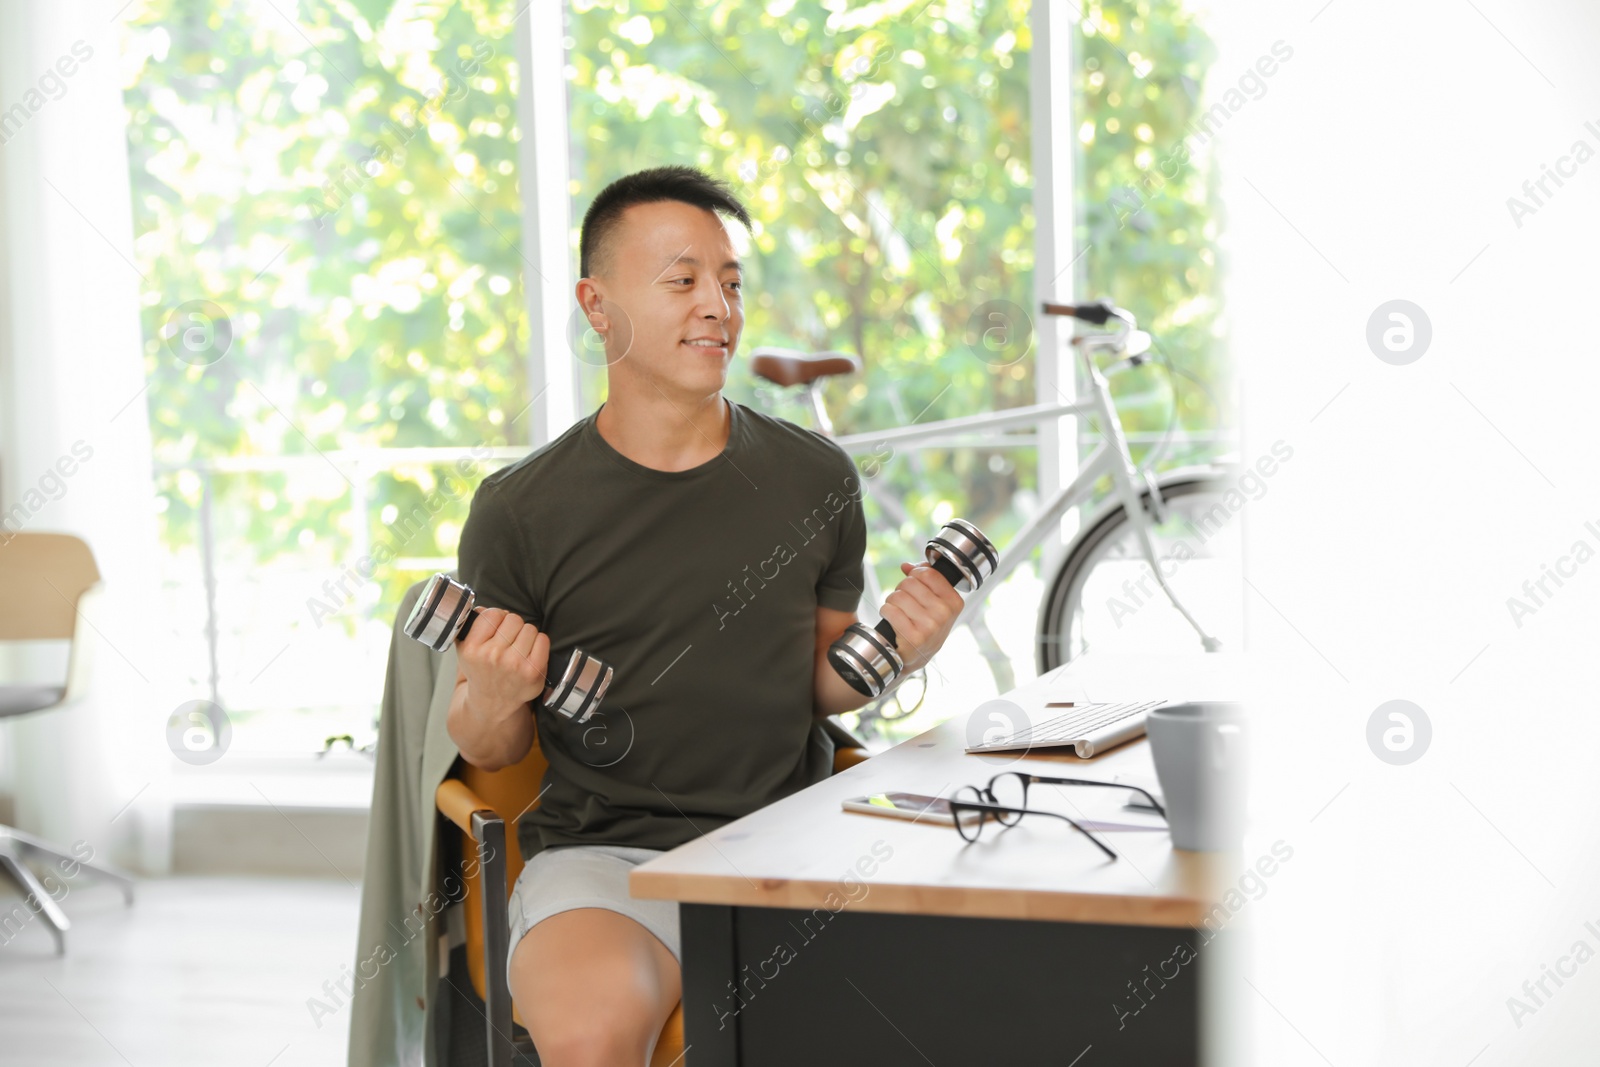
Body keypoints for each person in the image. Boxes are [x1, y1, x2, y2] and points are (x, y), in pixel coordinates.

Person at [446, 165, 963, 1066]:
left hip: (790, 844)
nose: (717, 306)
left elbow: (820, 686)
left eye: (729, 282)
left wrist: (902, 652)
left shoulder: (816, 480)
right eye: (682, 280)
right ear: (597, 306)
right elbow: (491, 747)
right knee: (598, 1029)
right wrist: (493, 695)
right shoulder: (520, 509)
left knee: (973, 991)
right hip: (610, 862)